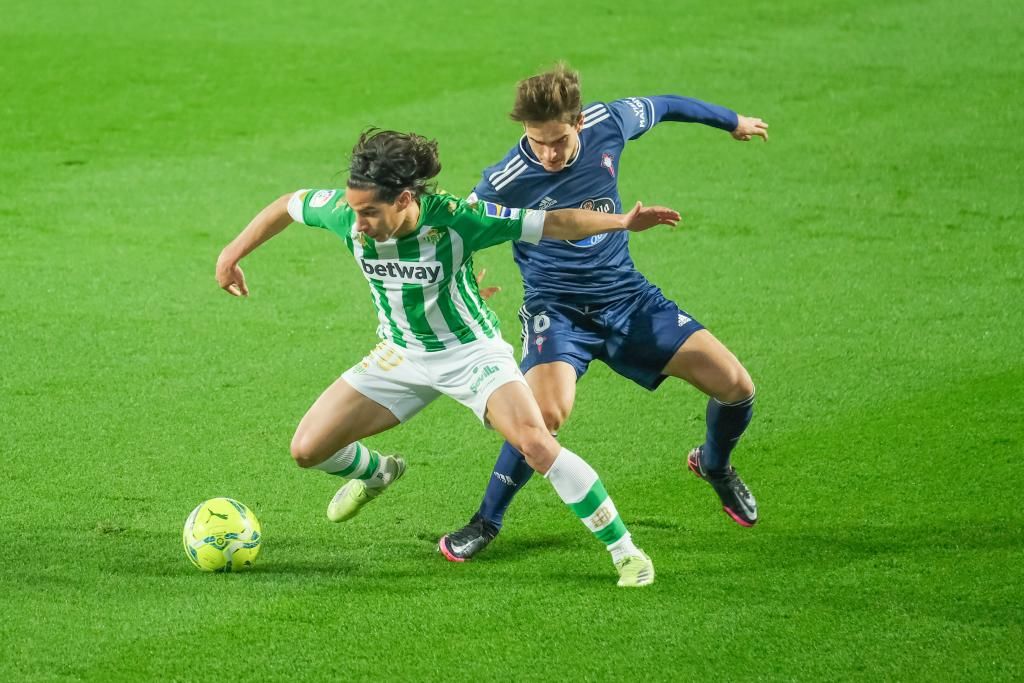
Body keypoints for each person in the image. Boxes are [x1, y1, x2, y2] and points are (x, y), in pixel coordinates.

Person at [215, 128, 680, 586]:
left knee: (536, 443)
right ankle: (378, 473)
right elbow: (288, 204)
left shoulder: (460, 219)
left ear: (404, 199)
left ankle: (626, 552)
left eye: (369, 212)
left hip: (470, 354)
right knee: (307, 449)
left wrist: (621, 223)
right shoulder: (345, 213)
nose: (357, 224)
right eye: (354, 210)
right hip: (401, 354)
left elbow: (552, 223)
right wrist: (230, 256)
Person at [439, 64, 768, 562]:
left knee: (736, 385)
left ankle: (714, 464)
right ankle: (486, 521)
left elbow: (665, 104)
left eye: (557, 141)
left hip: (628, 298)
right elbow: (454, 229)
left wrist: (732, 121)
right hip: (557, 310)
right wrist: (459, 279)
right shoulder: (508, 177)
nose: (548, 155)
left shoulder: (608, 122)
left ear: (578, 122)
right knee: (542, 417)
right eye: (537, 142)